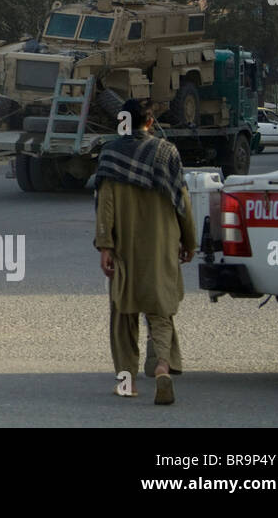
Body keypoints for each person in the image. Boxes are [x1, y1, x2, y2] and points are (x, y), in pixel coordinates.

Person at [93, 99, 196, 405]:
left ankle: (127, 383)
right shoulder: (167, 153)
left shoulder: (110, 155)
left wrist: (105, 246)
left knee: (123, 315)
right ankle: (162, 367)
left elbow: (106, 205)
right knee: (161, 311)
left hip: (124, 247)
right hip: (162, 245)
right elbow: (182, 200)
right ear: (150, 122)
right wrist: (189, 241)